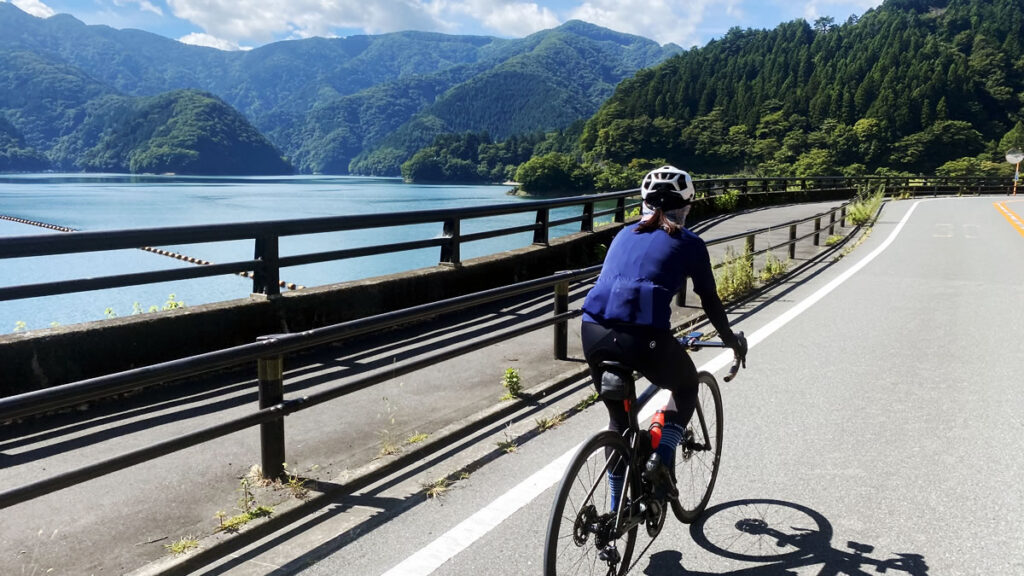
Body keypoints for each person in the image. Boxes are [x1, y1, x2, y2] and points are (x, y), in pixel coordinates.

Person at [581, 165, 747, 501]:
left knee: (619, 425)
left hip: (593, 331)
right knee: (686, 387)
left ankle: (615, 509)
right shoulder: (689, 243)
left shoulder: (623, 235)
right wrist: (731, 341)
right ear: (686, 206)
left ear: (643, 203)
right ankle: (661, 456)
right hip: (644, 339)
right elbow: (710, 300)